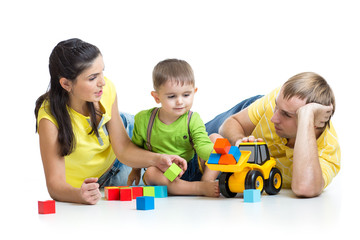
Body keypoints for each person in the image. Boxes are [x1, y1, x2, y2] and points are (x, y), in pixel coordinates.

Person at [35, 39, 187, 205]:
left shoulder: (104, 90)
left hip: (127, 142)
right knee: (172, 180)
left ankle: (217, 132)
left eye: (102, 72)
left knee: (184, 137)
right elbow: (55, 185)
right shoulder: (49, 119)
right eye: (93, 78)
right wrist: (79, 195)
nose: (102, 82)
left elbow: (122, 148)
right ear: (66, 84)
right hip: (109, 179)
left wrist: (157, 159)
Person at [205, 72, 340, 198]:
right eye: (277, 107)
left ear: (312, 123)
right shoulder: (277, 104)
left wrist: (307, 116)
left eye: (286, 115)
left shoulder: (327, 151)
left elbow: (304, 188)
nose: (273, 118)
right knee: (191, 139)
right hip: (245, 120)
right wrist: (239, 140)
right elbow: (230, 124)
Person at [127, 59, 221, 197]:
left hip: (192, 166)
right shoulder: (144, 120)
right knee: (150, 173)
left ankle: (207, 180)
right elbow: (136, 150)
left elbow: (202, 146)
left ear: (194, 92)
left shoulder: (192, 119)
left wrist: (220, 153)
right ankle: (198, 188)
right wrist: (135, 170)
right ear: (156, 97)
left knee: (215, 138)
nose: (180, 101)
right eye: (172, 96)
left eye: (186, 95)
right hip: (166, 172)